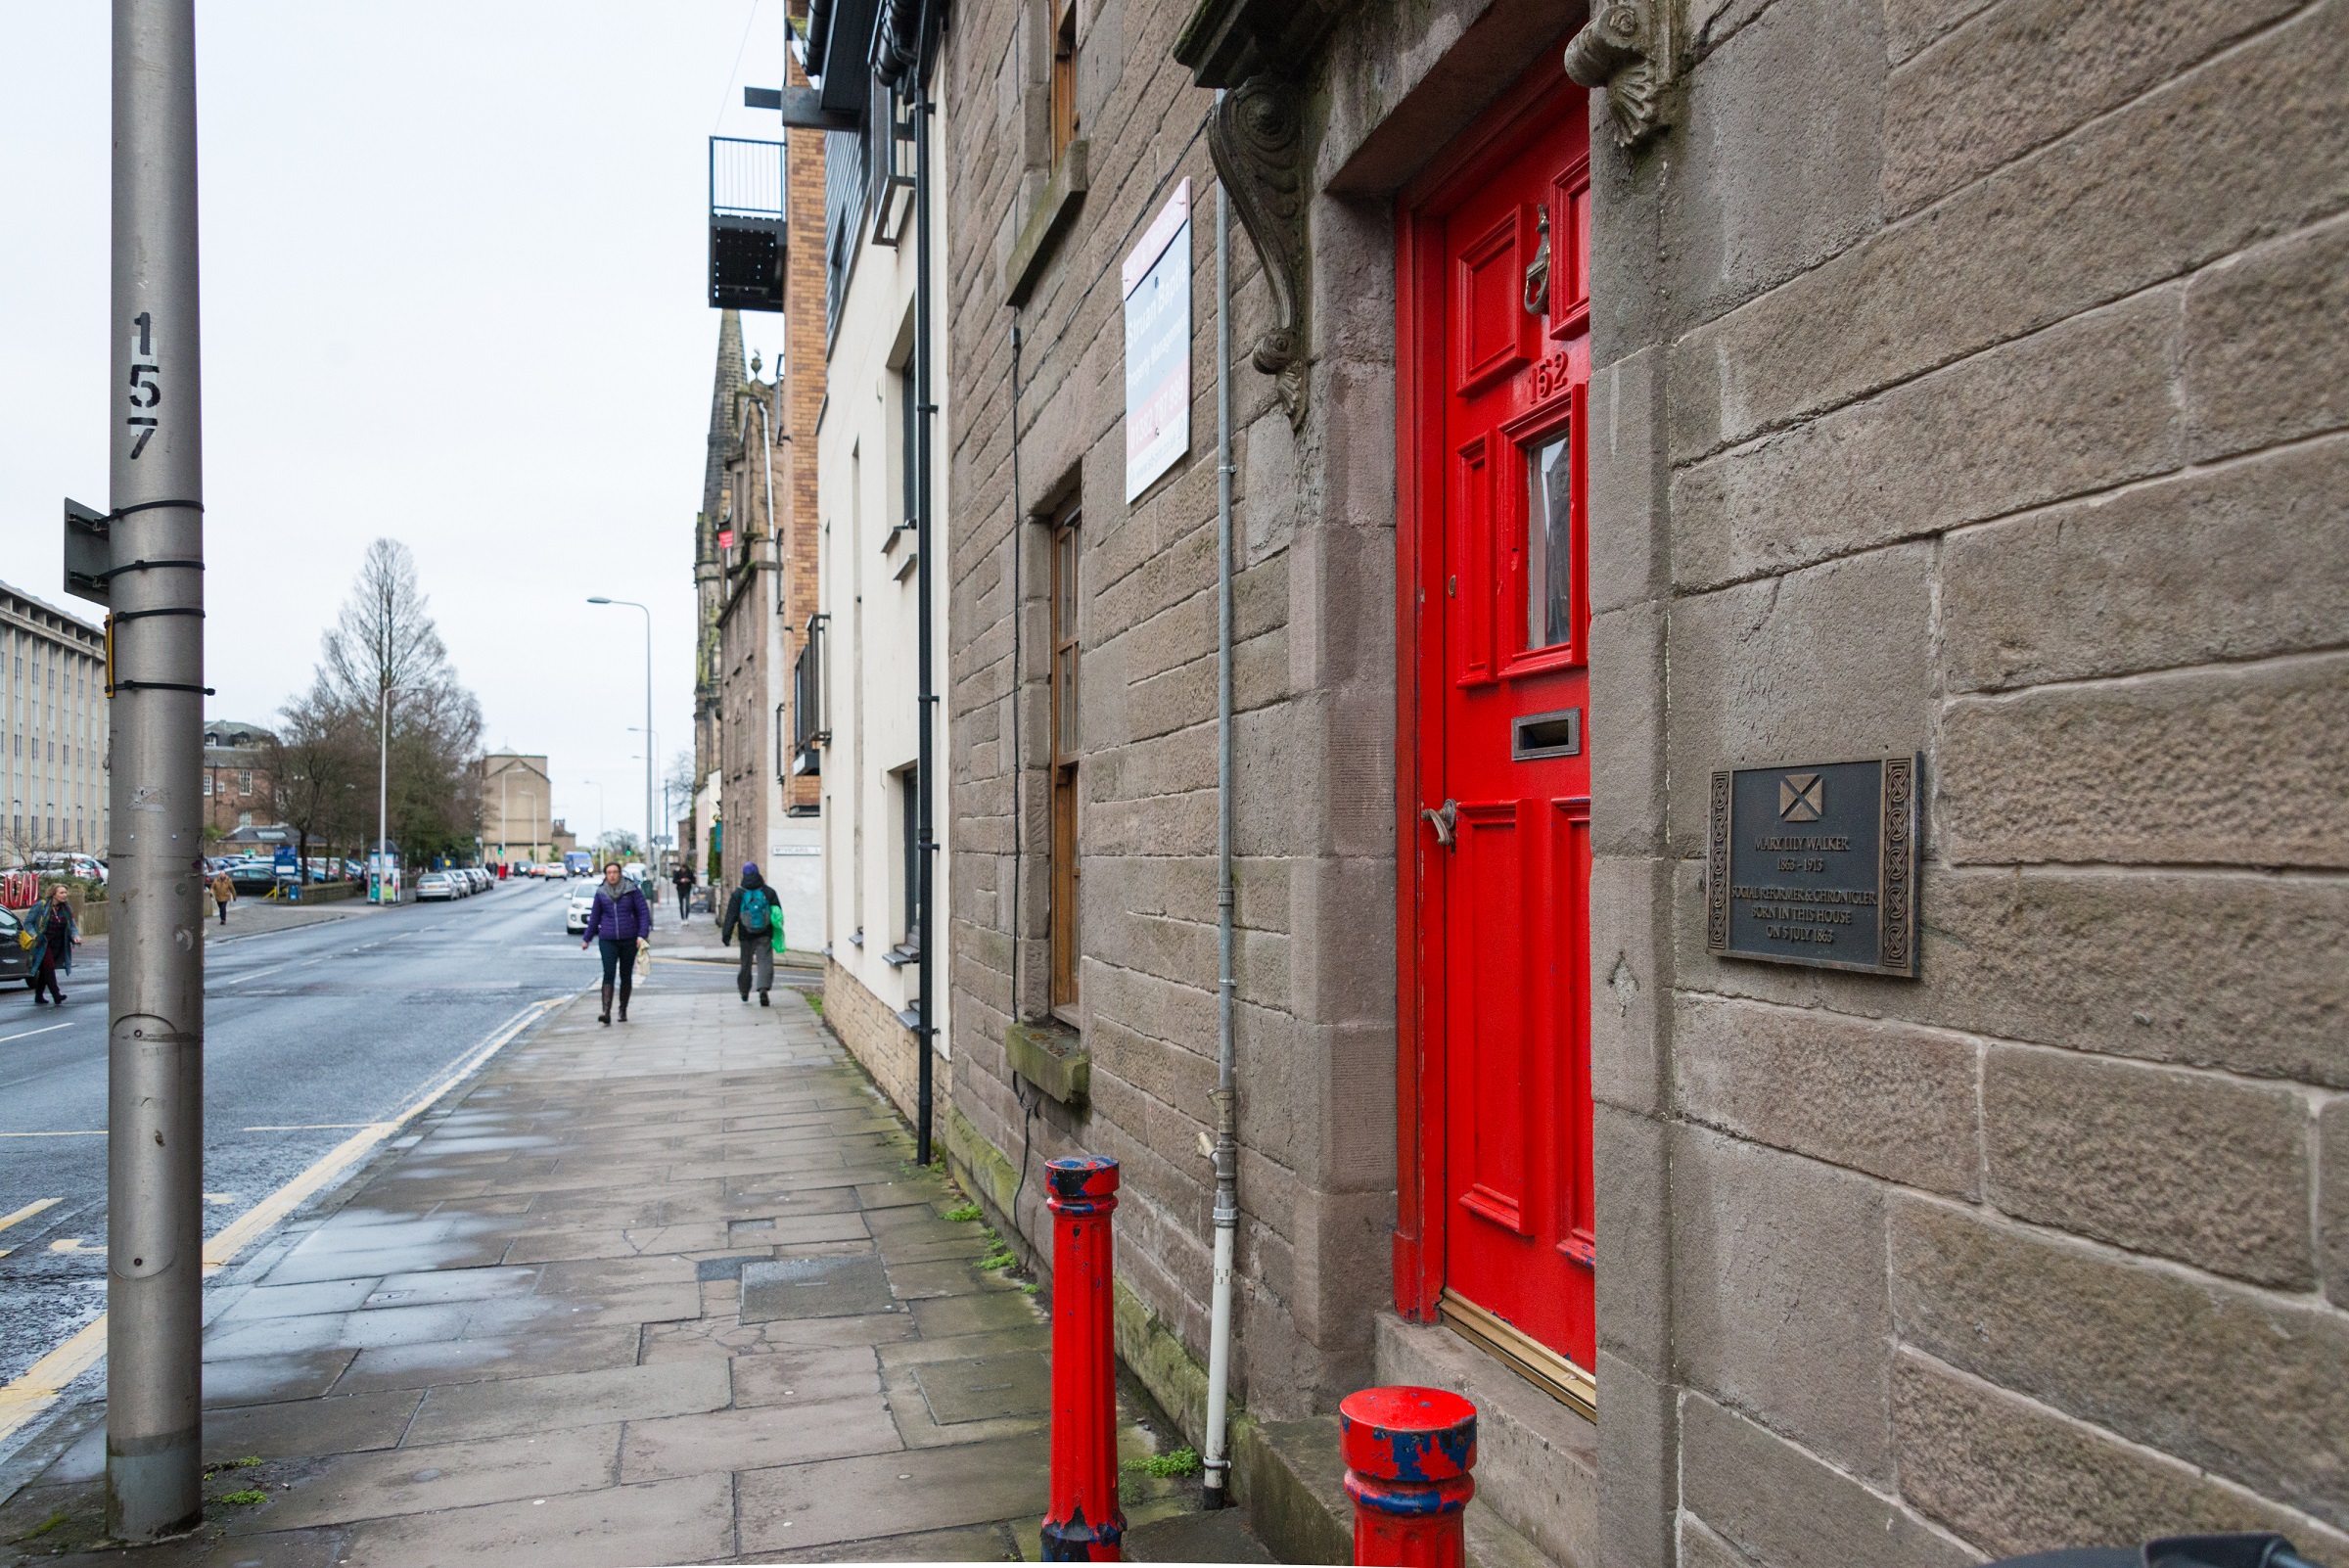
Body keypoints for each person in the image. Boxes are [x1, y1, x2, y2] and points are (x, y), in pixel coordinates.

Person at [579, 861, 653, 1025]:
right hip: (607, 939)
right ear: (605, 875)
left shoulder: (632, 890)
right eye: (609, 872)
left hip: (629, 939)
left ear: (620, 874)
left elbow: (643, 913)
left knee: (625, 975)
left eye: (615, 872)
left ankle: (622, 1010)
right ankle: (606, 1011)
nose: (612, 875)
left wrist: (642, 935)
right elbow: (594, 917)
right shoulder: (601, 892)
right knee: (609, 973)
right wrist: (587, 938)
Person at [718, 861, 782, 1006]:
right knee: (765, 962)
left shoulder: (739, 893)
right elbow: (777, 914)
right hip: (764, 934)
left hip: (745, 935)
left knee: (745, 965)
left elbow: (731, 916)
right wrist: (777, 931)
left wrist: (726, 935)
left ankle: (744, 991)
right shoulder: (769, 892)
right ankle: (763, 989)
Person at [27, 886, 80, 1005]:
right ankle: (56, 995)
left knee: (46, 969)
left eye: (65, 892)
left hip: (58, 943)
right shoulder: (41, 906)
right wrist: (33, 934)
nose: (64, 895)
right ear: (53, 894)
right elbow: (28, 922)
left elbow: (71, 924)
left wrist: (75, 936)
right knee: (49, 966)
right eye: (61, 892)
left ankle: (39, 996)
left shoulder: (66, 907)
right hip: (43, 942)